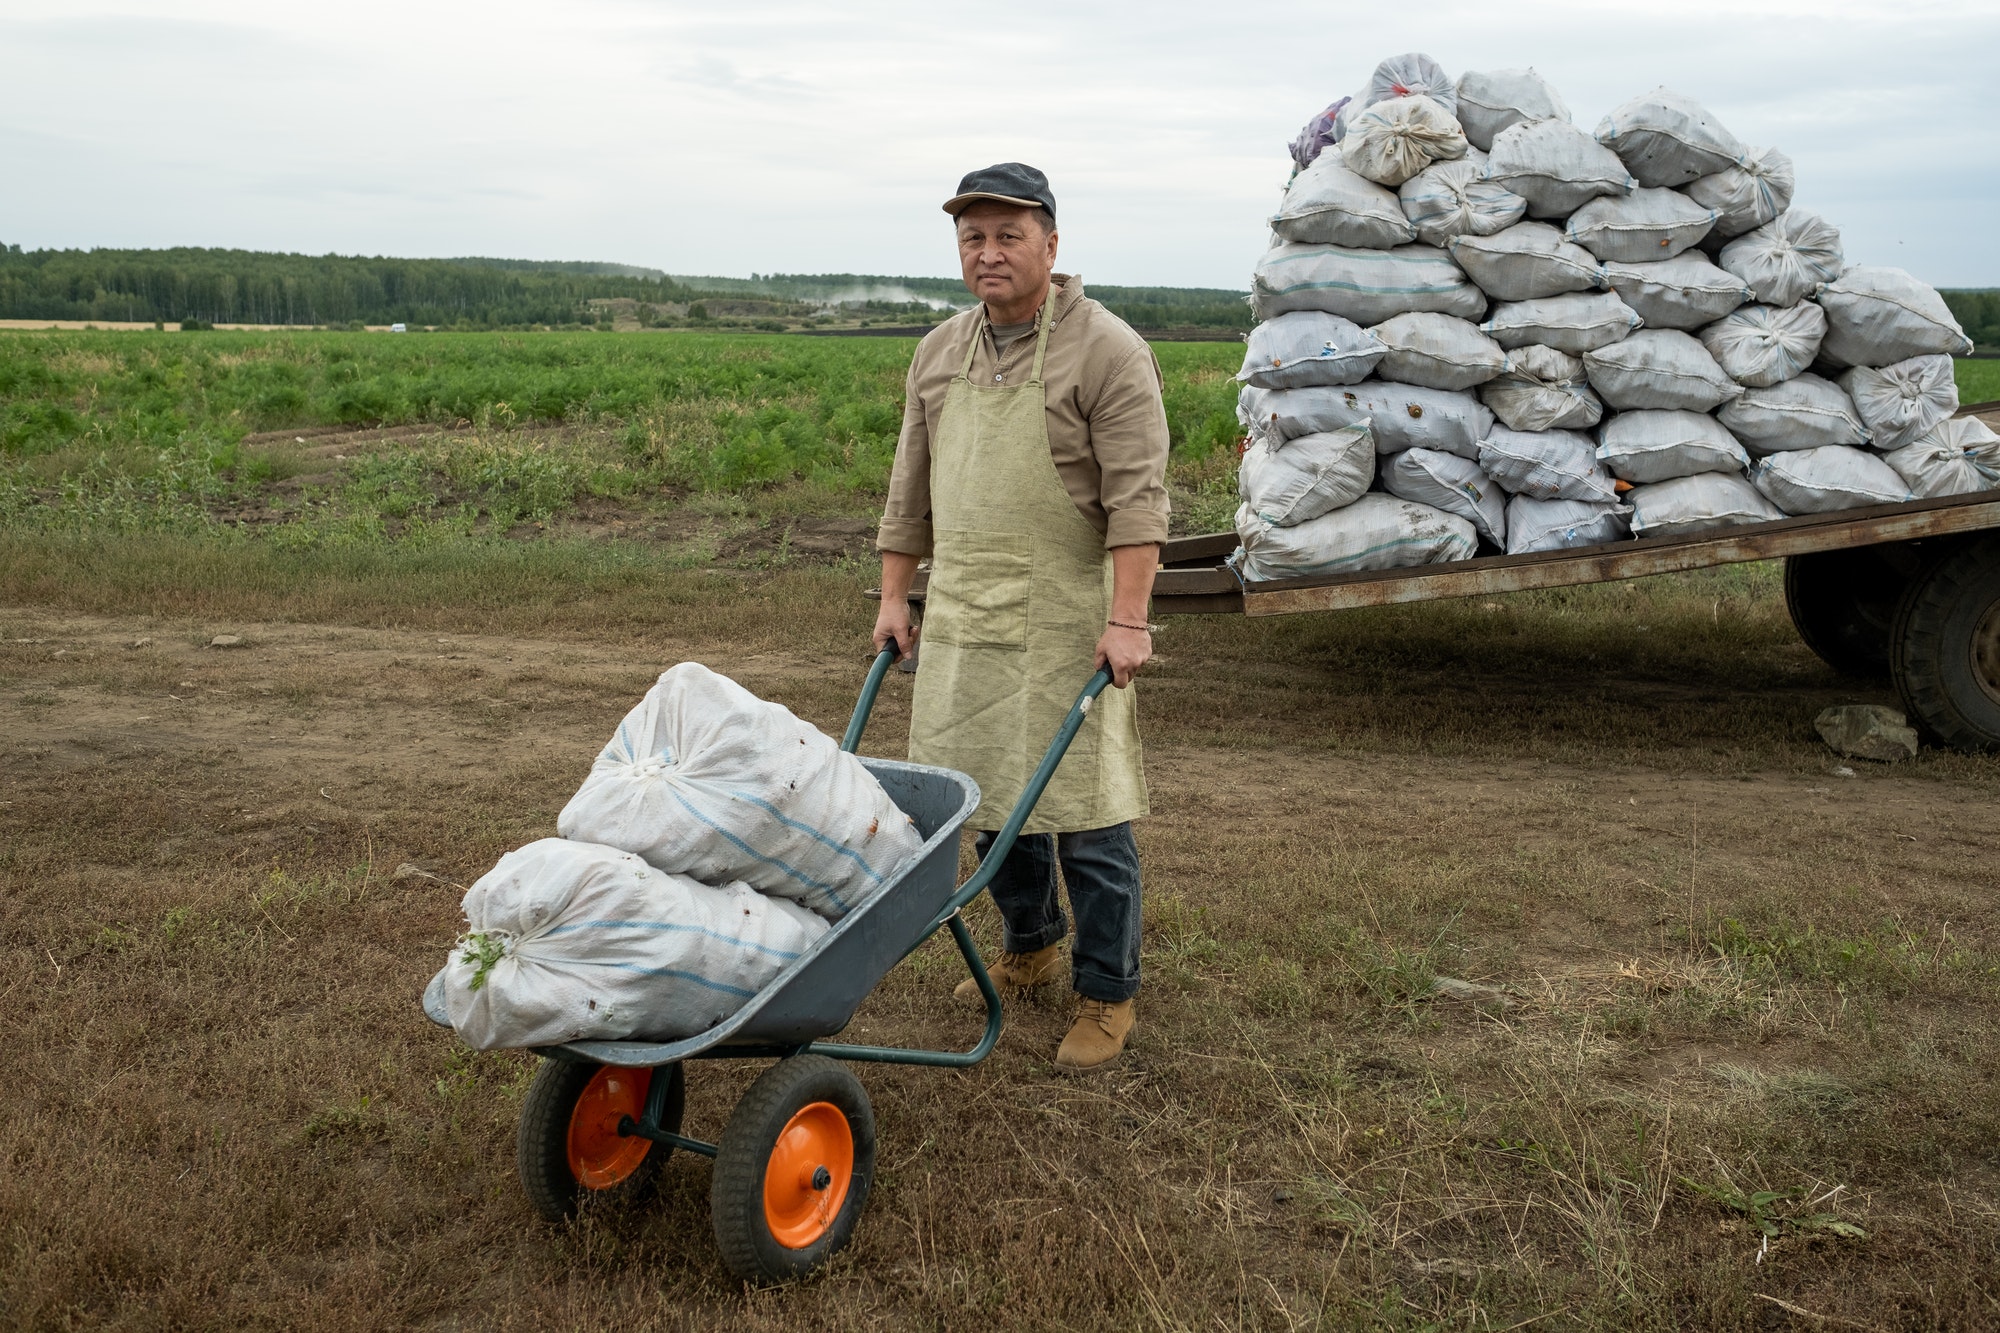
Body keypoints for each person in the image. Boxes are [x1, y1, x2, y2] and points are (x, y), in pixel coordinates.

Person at [873, 162, 1170, 1072]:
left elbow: (1139, 501)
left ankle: (1108, 991)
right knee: (986, 798)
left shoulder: (1107, 349)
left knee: (1084, 813)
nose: (989, 252)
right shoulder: (939, 350)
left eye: (1008, 235)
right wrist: (893, 595)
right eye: (973, 237)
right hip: (965, 609)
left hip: (1068, 616)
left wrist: (1128, 620)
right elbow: (909, 491)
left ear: (1051, 242)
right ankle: (1031, 945)